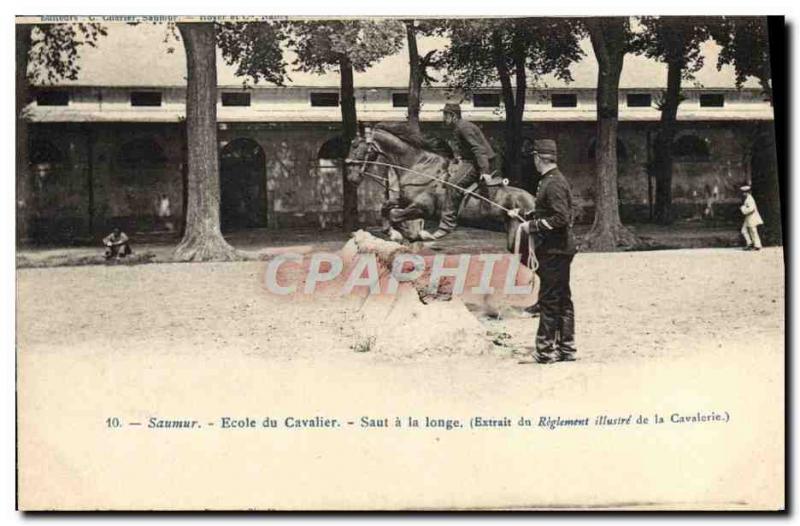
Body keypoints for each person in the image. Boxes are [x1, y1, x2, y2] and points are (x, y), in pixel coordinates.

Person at [509, 139, 578, 364]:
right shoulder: (551, 180)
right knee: (562, 298)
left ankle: (546, 351)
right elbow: (546, 211)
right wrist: (524, 214)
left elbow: (561, 218)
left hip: (555, 250)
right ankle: (566, 348)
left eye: (534, 158)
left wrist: (533, 226)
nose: (534, 162)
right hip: (559, 249)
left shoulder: (553, 183)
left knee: (549, 299)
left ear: (539, 157)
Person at [420, 103, 497, 240]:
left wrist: (484, 171)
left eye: (445, 115)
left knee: (452, 185)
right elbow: (466, 150)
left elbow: (478, 149)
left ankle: (446, 226)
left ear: (453, 116)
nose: (443, 118)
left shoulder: (464, 127)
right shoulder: (459, 127)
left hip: (477, 163)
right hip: (470, 161)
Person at [739, 185, 763, 251]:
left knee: (753, 231)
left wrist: (743, 209)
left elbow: (751, 209)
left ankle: (757, 245)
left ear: (747, 192)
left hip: (752, 217)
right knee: (744, 230)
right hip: (748, 217)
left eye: (744, 192)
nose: (743, 193)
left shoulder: (750, 199)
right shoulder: (747, 198)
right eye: (743, 192)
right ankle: (750, 243)